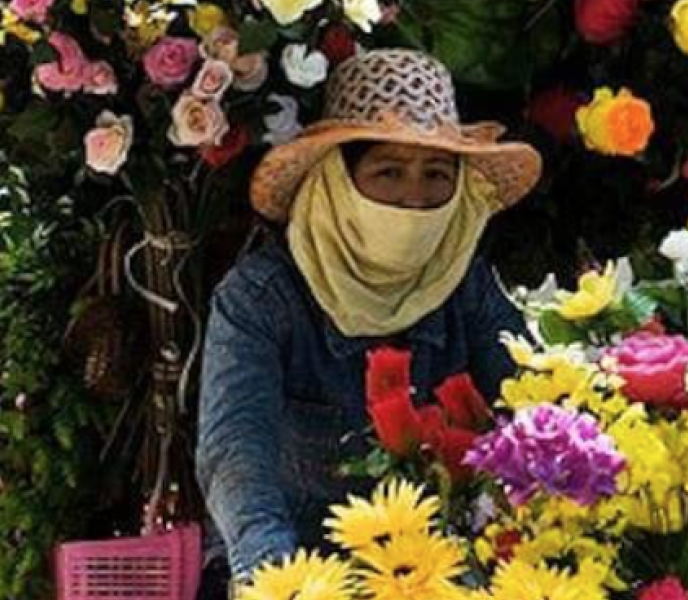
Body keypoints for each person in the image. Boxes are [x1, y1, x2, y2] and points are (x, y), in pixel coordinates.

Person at [194, 48, 543, 592]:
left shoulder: (466, 283)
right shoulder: (259, 300)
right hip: (304, 565)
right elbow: (236, 453)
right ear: (338, 181)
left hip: (444, 567)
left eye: (435, 174)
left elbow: (531, 406)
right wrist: (281, 582)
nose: (414, 197)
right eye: (388, 172)